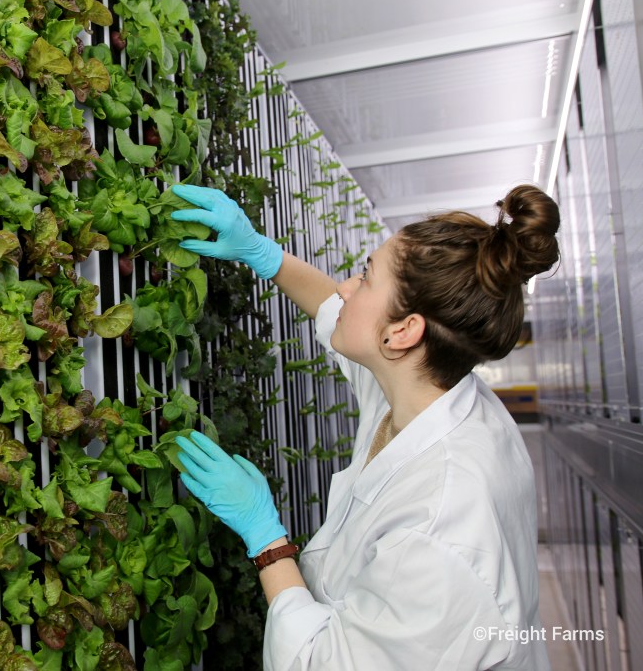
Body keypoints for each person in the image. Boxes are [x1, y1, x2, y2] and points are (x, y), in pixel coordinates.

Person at [169, 183, 559, 670]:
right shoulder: (427, 383)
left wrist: (267, 540)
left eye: (366, 277)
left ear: (404, 331)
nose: (346, 287)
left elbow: (320, 663)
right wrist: (260, 252)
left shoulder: (442, 526)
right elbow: (337, 312)